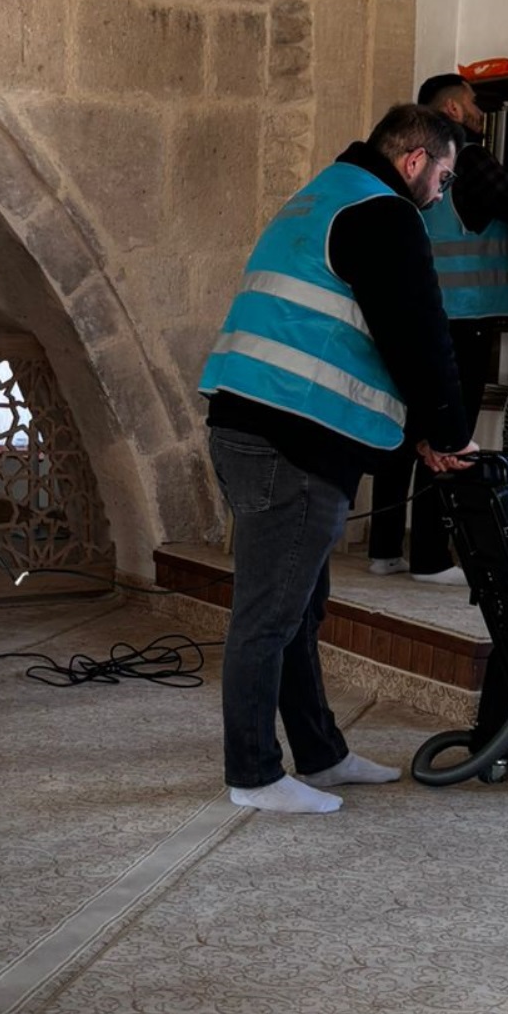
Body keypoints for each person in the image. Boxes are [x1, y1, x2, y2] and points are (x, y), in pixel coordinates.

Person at [201, 103, 476, 814]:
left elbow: (350, 328)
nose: (441, 195)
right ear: (414, 161)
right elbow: (418, 335)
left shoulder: (320, 197)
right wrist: (448, 432)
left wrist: (417, 432)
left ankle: (320, 755)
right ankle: (255, 776)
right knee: (268, 614)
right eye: (442, 177)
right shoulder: (383, 213)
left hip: (255, 423)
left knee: (297, 604)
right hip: (288, 440)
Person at [365, 69, 508, 581]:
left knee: (407, 430)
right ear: (451, 110)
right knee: (448, 433)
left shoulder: (407, 166)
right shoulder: (468, 158)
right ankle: (429, 556)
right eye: (472, 102)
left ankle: (383, 551)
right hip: (464, 318)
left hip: (417, 311)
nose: (480, 111)